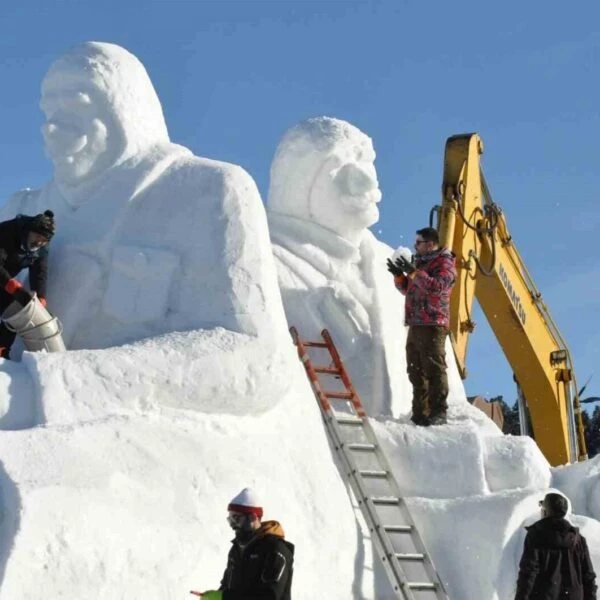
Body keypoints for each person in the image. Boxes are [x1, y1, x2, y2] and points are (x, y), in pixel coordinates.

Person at [266, 116, 411, 418]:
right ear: (299, 183)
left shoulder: (396, 273)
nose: (367, 181)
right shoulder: (263, 260)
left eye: (366, 161)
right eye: (339, 167)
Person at [387, 227, 456, 426]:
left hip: (433, 322)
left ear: (430, 244)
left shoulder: (445, 262)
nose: (415, 246)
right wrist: (400, 277)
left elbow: (437, 288)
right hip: (416, 322)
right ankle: (420, 412)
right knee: (415, 369)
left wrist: (413, 272)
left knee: (434, 367)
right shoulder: (419, 263)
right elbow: (408, 289)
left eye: (418, 242)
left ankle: (438, 412)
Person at [193, 487, 294, 600]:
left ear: (253, 517)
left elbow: (269, 595)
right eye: (230, 520)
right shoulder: (236, 550)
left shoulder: (276, 549)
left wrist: (223, 597)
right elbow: (228, 587)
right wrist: (214, 596)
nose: (232, 525)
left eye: (236, 519)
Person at [514, 492, 597, 600]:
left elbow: (529, 572)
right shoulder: (578, 539)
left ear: (546, 511)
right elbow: (588, 576)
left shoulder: (536, 536)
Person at [0, 210, 55, 359]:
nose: (39, 242)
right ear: (28, 231)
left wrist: (41, 298)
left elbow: (39, 273)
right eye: (37, 236)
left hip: (3, 279)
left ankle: (1, 350)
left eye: (44, 240)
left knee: (14, 307)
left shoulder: (40, 248)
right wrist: (12, 286)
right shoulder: (6, 232)